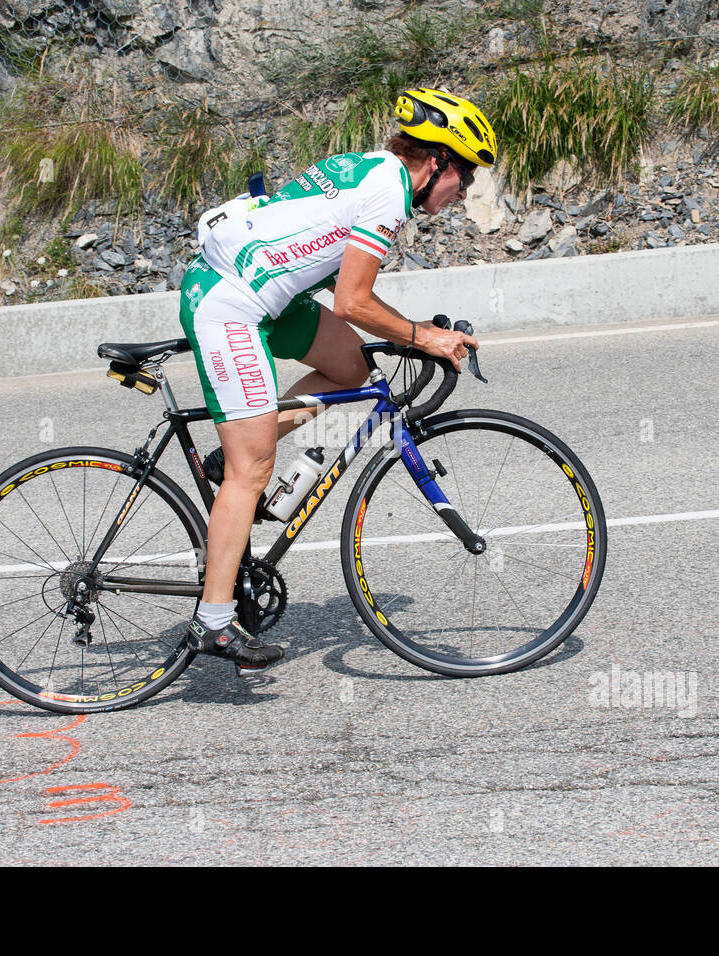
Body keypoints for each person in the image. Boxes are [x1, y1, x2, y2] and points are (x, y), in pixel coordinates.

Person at [177, 87, 498, 669]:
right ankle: (213, 622)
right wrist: (423, 337)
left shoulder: (371, 169)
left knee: (352, 366)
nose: (464, 192)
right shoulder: (387, 197)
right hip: (231, 306)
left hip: (267, 292)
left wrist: (405, 325)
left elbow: (314, 253)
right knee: (254, 473)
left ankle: (237, 453)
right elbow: (352, 299)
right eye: (466, 177)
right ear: (437, 161)